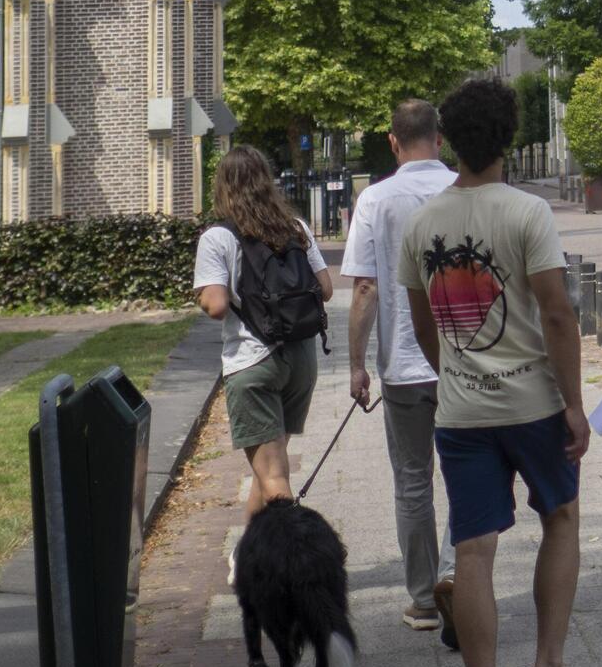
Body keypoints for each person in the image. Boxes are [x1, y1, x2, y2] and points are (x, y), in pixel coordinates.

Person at [400, 79, 596, 667]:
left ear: (449, 139)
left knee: (473, 552)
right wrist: (573, 403)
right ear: (509, 138)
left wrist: (454, 371)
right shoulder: (527, 214)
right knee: (561, 518)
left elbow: (424, 323)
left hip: (461, 413)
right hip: (534, 403)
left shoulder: (422, 223)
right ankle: (549, 665)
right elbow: (558, 313)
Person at [343, 96, 460, 633]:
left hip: (405, 366)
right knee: (468, 473)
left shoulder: (377, 200)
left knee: (413, 479)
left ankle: (423, 598)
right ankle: (461, 575)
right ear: (439, 137)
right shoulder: (464, 188)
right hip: (466, 361)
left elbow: (366, 286)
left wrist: (356, 365)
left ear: (393, 141)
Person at [194, 145, 332, 513]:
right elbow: (327, 289)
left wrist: (202, 296)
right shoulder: (296, 228)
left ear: (223, 187)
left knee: (273, 478)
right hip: (300, 360)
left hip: (253, 362)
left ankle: (289, 564)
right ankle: (249, 560)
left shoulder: (218, 237)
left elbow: (217, 305)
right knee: (270, 467)